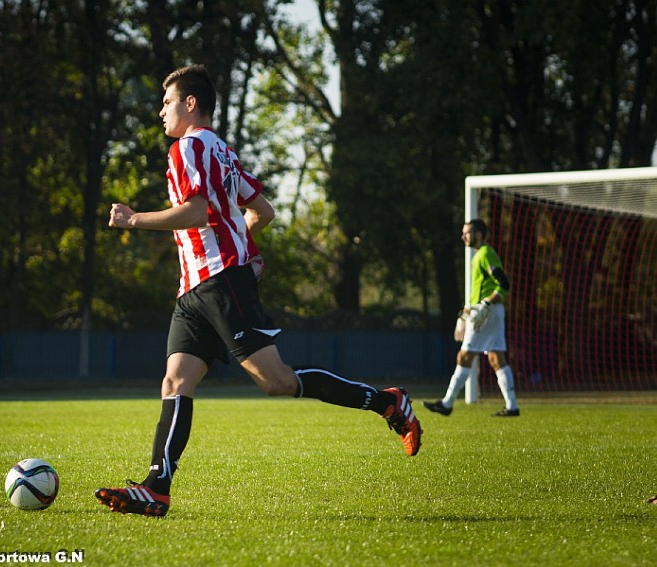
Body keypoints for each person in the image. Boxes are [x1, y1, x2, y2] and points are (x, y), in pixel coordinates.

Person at [94, 64, 422, 517]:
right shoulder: (221, 151)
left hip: (219, 280)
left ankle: (388, 402)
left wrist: (134, 220)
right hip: (196, 287)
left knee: (277, 381)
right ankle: (157, 486)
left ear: (191, 104)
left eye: (167, 102)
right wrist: (243, 245)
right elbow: (261, 210)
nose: (160, 111)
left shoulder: (187, 147)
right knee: (175, 381)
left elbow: (195, 212)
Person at [424, 218, 520, 418]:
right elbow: (481, 288)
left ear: (478, 234)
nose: (463, 236)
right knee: (496, 358)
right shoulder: (479, 256)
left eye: (466, 232)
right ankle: (512, 407)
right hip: (488, 310)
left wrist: (486, 303)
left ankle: (447, 403)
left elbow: (503, 283)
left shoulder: (485, 253)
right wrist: (465, 313)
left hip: (487, 312)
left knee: (464, 356)